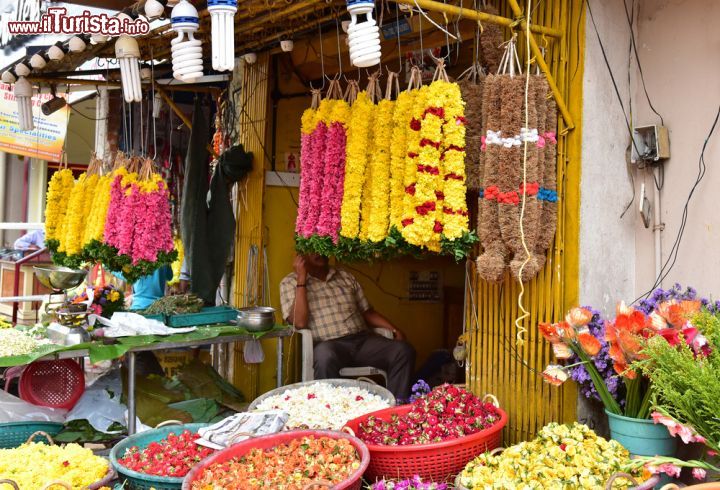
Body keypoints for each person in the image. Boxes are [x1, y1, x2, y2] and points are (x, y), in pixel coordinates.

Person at [280, 253, 415, 399]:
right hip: (330, 345)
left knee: (403, 350)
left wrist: (395, 330)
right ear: (301, 255)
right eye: (312, 250)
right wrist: (301, 279)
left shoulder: (345, 276)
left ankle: (395, 408)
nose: (319, 253)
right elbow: (299, 322)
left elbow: (367, 312)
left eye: (322, 248)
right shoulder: (289, 282)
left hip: (363, 341)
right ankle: (329, 412)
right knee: (324, 356)